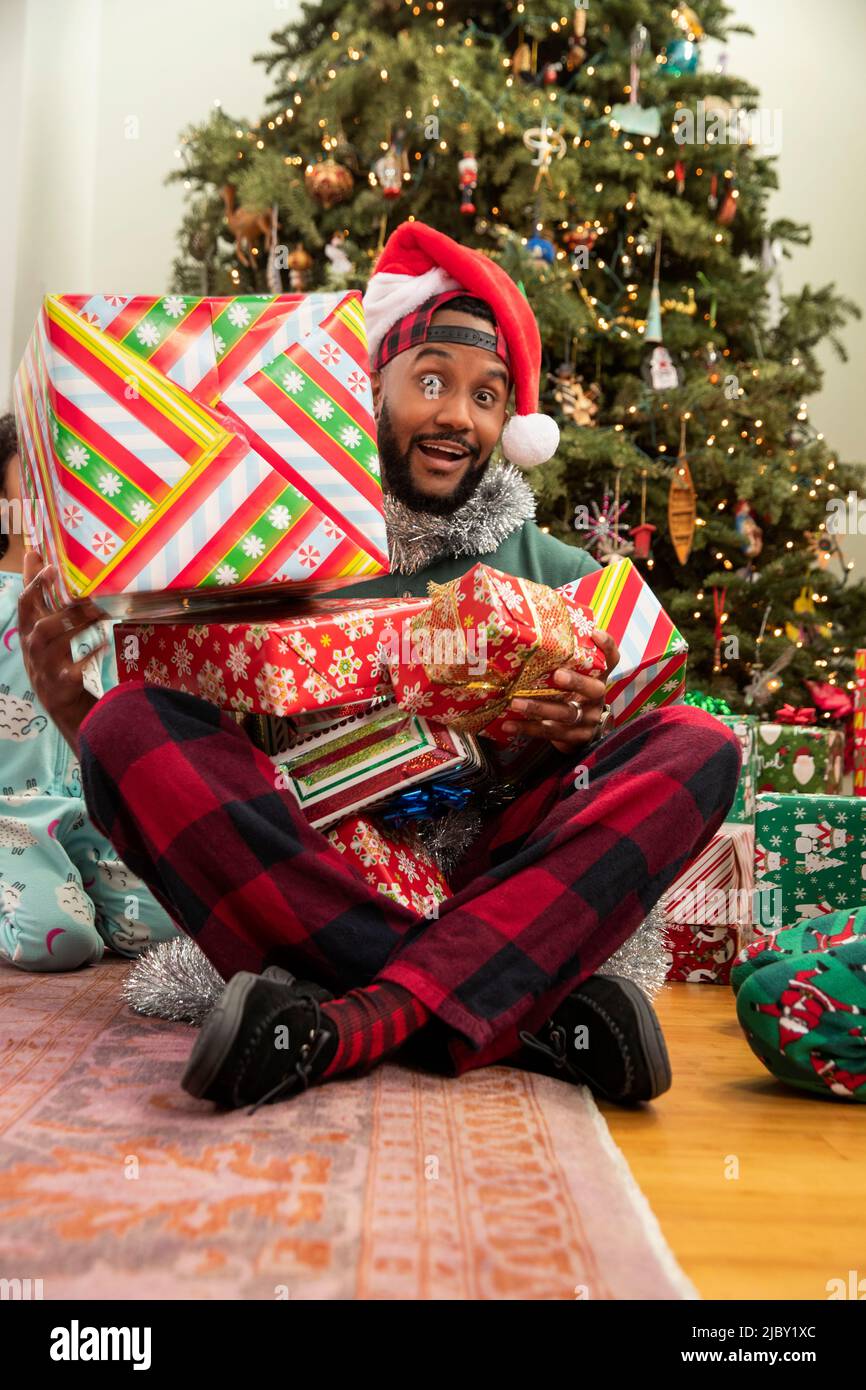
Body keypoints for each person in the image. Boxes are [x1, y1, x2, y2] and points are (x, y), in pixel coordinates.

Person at [18, 223, 741, 1105]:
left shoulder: (564, 577)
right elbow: (203, 761)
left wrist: (574, 738)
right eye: (431, 380)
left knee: (699, 745)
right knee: (125, 727)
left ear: (511, 424)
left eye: (488, 396)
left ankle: (349, 1024)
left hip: (490, 882)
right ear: (370, 389)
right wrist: (72, 707)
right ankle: (520, 1014)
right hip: (321, 875)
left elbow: (604, 809)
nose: (457, 416)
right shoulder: (273, 541)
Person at [0, 414, 179, 969]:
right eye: (34, 481)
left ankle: (72, 887)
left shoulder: (106, 611)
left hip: (90, 810)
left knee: (165, 933)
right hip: (11, 818)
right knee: (61, 942)